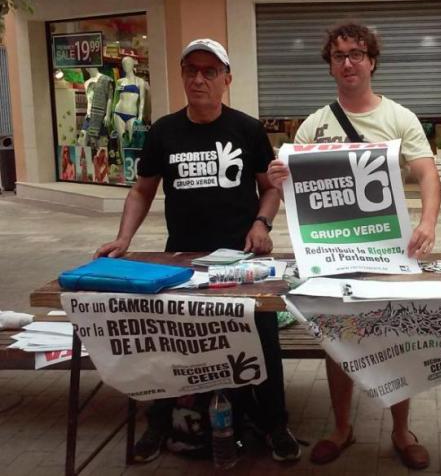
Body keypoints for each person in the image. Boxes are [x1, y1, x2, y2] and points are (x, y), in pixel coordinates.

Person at [95, 38, 300, 464]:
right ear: (182, 76)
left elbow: (269, 189)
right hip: (182, 261)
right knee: (171, 342)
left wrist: (261, 224)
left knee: (262, 336)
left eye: (209, 71)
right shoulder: (164, 131)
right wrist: (123, 238)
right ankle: (159, 421)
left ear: (227, 79)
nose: (199, 79)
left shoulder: (247, 129)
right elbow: (142, 190)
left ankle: (275, 423)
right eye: (191, 71)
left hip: (243, 260)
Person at [267, 22, 441, 470]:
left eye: (357, 54)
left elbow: (426, 173)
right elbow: (293, 191)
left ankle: (402, 431)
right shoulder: (314, 124)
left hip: (388, 251)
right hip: (333, 253)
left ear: (372, 62)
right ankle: (342, 428)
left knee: (396, 336)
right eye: (339, 55)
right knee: (337, 339)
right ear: (330, 65)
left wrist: (428, 222)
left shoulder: (399, 118)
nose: (348, 62)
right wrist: (278, 179)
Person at [113, 56, 146, 146]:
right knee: (122, 142)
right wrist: (111, 114)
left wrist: (140, 116)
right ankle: (122, 156)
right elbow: (115, 98)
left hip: (132, 114)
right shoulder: (119, 81)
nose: (125, 66)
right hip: (118, 113)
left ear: (132, 65)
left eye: (128, 63)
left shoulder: (140, 81)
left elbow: (142, 99)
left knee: (133, 142)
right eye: (123, 64)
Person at [83, 67, 113, 142]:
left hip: (101, 116)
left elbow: (110, 98)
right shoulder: (86, 83)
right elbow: (89, 100)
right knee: (82, 140)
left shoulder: (105, 79)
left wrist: (108, 115)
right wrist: (87, 112)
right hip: (89, 116)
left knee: (102, 142)